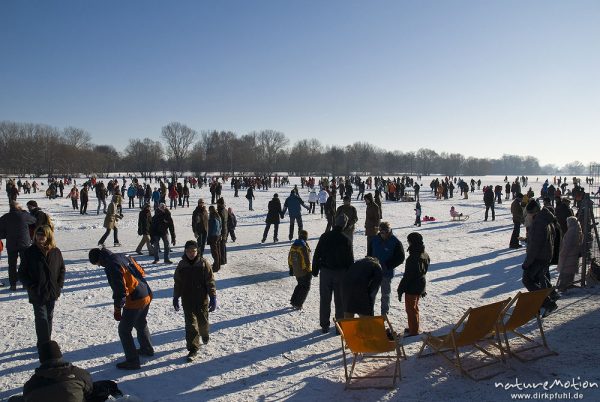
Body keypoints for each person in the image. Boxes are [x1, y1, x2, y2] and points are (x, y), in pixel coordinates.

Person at [88, 247, 154, 370]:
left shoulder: (111, 265)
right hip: (146, 292)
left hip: (135, 299)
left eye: (97, 264)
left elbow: (120, 291)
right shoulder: (122, 255)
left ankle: (133, 361)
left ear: (98, 260)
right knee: (140, 322)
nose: (99, 266)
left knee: (124, 330)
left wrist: (117, 309)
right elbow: (141, 271)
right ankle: (147, 348)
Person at [18, 225, 65, 347]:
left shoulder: (56, 251)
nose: (40, 237)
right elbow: (22, 273)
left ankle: (47, 341)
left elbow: (62, 269)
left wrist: (59, 286)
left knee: (49, 317)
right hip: (37, 292)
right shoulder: (29, 252)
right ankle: (43, 343)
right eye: (38, 234)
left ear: (48, 235)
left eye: (43, 234)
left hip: (52, 291)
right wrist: (31, 287)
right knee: (41, 318)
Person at [173, 240, 217, 362]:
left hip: (201, 299)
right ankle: (193, 349)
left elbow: (210, 281)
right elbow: (178, 282)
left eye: (193, 251)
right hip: (187, 299)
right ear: (185, 252)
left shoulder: (203, 263)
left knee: (203, 323)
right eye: (188, 251)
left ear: (197, 251)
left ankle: (205, 333)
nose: (191, 253)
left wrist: (213, 297)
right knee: (191, 325)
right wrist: (176, 297)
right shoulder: (182, 265)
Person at [10, 340, 93, 402]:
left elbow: (26, 397)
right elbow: (89, 390)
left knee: (13, 400)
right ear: (60, 355)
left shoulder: (31, 385)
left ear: (41, 360)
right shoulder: (79, 374)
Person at [312, 213, 354, 333]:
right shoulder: (346, 239)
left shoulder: (325, 236)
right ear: (345, 225)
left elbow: (317, 254)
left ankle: (324, 325)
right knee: (340, 300)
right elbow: (350, 260)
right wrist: (350, 276)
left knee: (325, 299)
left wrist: (314, 269)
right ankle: (339, 326)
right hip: (341, 274)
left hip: (325, 272)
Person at [521, 200, 558, 316]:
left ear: (533, 212)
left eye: (529, 213)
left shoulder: (538, 223)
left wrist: (527, 263)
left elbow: (535, 247)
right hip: (546, 255)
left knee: (527, 280)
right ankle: (548, 297)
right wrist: (529, 239)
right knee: (540, 278)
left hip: (539, 257)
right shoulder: (546, 218)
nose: (529, 216)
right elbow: (550, 237)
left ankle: (548, 303)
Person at [368, 222, 405, 316]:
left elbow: (400, 258)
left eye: (385, 232)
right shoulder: (374, 240)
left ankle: (384, 315)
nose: (383, 234)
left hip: (386, 273)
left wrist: (387, 265)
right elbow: (369, 255)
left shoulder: (395, 242)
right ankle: (369, 314)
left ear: (389, 231)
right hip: (374, 273)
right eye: (381, 232)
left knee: (385, 295)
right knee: (371, 294)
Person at [397, 232, 429, 337]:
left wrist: (400, 288)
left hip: (412, 286)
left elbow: (408, 276)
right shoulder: (425, 254)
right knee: (414, 308)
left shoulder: (412, 258)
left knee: (411, 309)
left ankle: (413, 331)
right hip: (420, 285)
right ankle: (414, 327)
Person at [0, 202, 37, 290]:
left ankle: (13, 284)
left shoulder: (5, 217)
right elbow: (34, 220)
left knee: (12, 264)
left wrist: (6, 234)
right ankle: (24, 283)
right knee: (24, 262)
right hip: (24, 242)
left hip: (11, 243)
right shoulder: (24, 215)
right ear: (19, 207)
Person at [556, 216, 583, 292]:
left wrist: (562, 253)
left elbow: (567, 245)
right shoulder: (578, 230)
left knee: (565, 271)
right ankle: (568, 284)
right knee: (570, 271)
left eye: (568, 222)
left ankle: (562, 286)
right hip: (574, 254)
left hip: (568, 255)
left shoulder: (571, 232)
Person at [288, 230, 312, 310]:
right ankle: (298, 303)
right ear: (305, 237)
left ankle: (293, 301)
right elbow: (306, 259)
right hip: (303, 270)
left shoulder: (294, 245)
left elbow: (290, 258)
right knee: (305, 287)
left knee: (300, 285)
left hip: (296, 270)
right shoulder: (303, 246)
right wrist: (308, 270)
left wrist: (291, 268)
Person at [207, 205, 222, 272]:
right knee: (218, 251)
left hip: (214, 236)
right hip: (218, 235)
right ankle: (218, 265)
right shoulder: (218, 216)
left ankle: (216, 267)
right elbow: (220, 226)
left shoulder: (213, 217)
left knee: (214, 252)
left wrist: (210, 236)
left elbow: (212, 229)